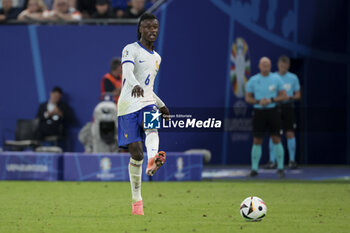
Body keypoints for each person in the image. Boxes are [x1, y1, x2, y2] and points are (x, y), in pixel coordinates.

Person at [118, 13, 170, 215]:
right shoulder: (130, 49)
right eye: (148, 27)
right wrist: (135, 85)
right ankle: (136, 201)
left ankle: (153, 158)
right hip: (128, 105)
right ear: (140, 29)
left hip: (147, 102)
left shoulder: (157, 58)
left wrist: (161, 104)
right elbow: (127, 73)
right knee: (136, 153)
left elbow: (149, 88)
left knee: (152, 125)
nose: (152, 30)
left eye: (155, 27)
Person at [245, 57, 288, 178]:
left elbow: (284, 96)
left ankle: (280, 168)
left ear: (270, 66)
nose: (265, 66)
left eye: (267, 64)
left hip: (273, 111)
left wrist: (271, 100)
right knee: (257, 140)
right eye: (263, 64)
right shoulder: (253, 80)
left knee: (276, 138)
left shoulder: (276, 79)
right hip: (259, 112)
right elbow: (248, 98)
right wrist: (258, 101)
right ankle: (254, 169)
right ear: (259, 65)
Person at [266, 56, 301, 169]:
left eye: (285, 65)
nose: (283, 67)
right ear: (278, 64)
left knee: (290, 133)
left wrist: (290, 97)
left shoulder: (293, 78)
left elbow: (298, 94)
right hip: (276, 107)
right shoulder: (273, 77)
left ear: (288, 66)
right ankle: (272, 161)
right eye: (281, 65)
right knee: (274, 134)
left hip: (288, 107)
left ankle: (292, 160)